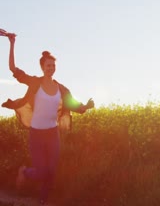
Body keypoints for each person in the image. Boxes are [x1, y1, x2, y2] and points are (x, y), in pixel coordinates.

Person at [1, 31, 94, 205]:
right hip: (36, 134)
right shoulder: (35, 82)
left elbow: (73, 104)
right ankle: (24, 172)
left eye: (53, 65)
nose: (51, 68)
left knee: (51, 171)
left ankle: (42, 201)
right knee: (42, 171)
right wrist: (12, 44)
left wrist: (86, 107)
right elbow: (13, 69)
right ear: (42, 67)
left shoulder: (61, 88)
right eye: (48, 65)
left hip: (52, 134)